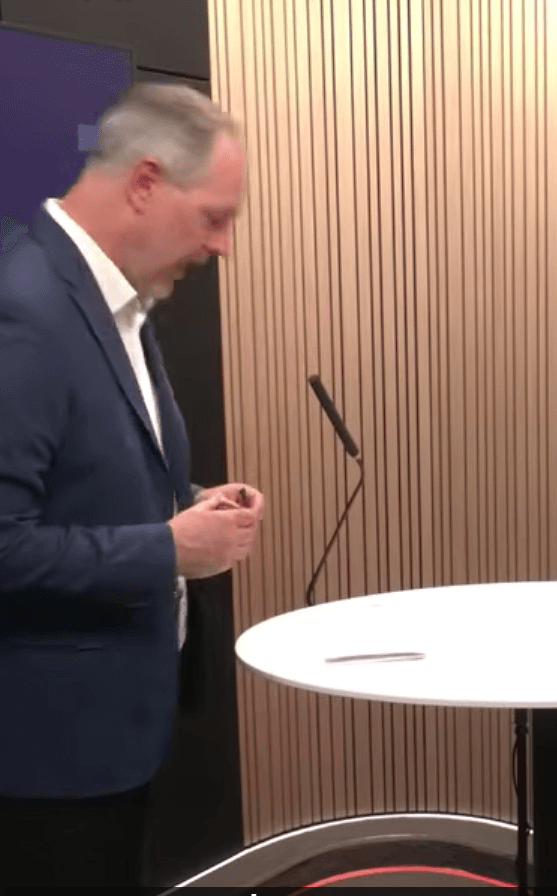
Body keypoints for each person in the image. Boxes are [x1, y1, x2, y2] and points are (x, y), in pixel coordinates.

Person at [0, 83, 265, 887]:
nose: (222, 246)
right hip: (47, 769)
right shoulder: (25, 312)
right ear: (146, 182)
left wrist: (187, 504)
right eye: (213, 217)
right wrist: (167, 548)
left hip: (114, 739)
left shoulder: (114, 303)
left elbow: (82, 480)